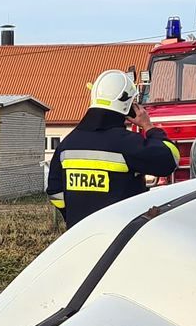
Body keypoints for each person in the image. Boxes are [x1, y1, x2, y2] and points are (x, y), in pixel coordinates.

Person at [44, 70, 180, 227]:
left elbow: (55, 192)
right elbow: (171, 158)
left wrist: (74, 215)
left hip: (81, 238)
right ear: (128, 105)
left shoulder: (66, 145)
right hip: (120, 238)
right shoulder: (128, 144)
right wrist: (147, 126)